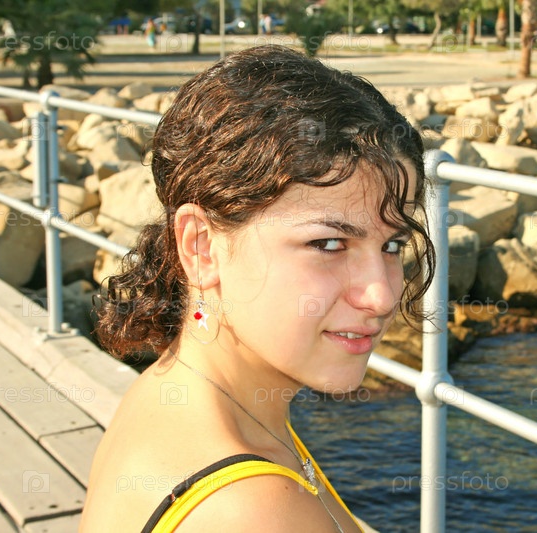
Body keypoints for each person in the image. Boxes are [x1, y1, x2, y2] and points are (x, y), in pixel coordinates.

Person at [79, 45, 434, 532]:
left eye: (392, 246)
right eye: (328, 244)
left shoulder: (174, 391)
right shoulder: (253, 510)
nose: (382, 296)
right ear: (201, 247)